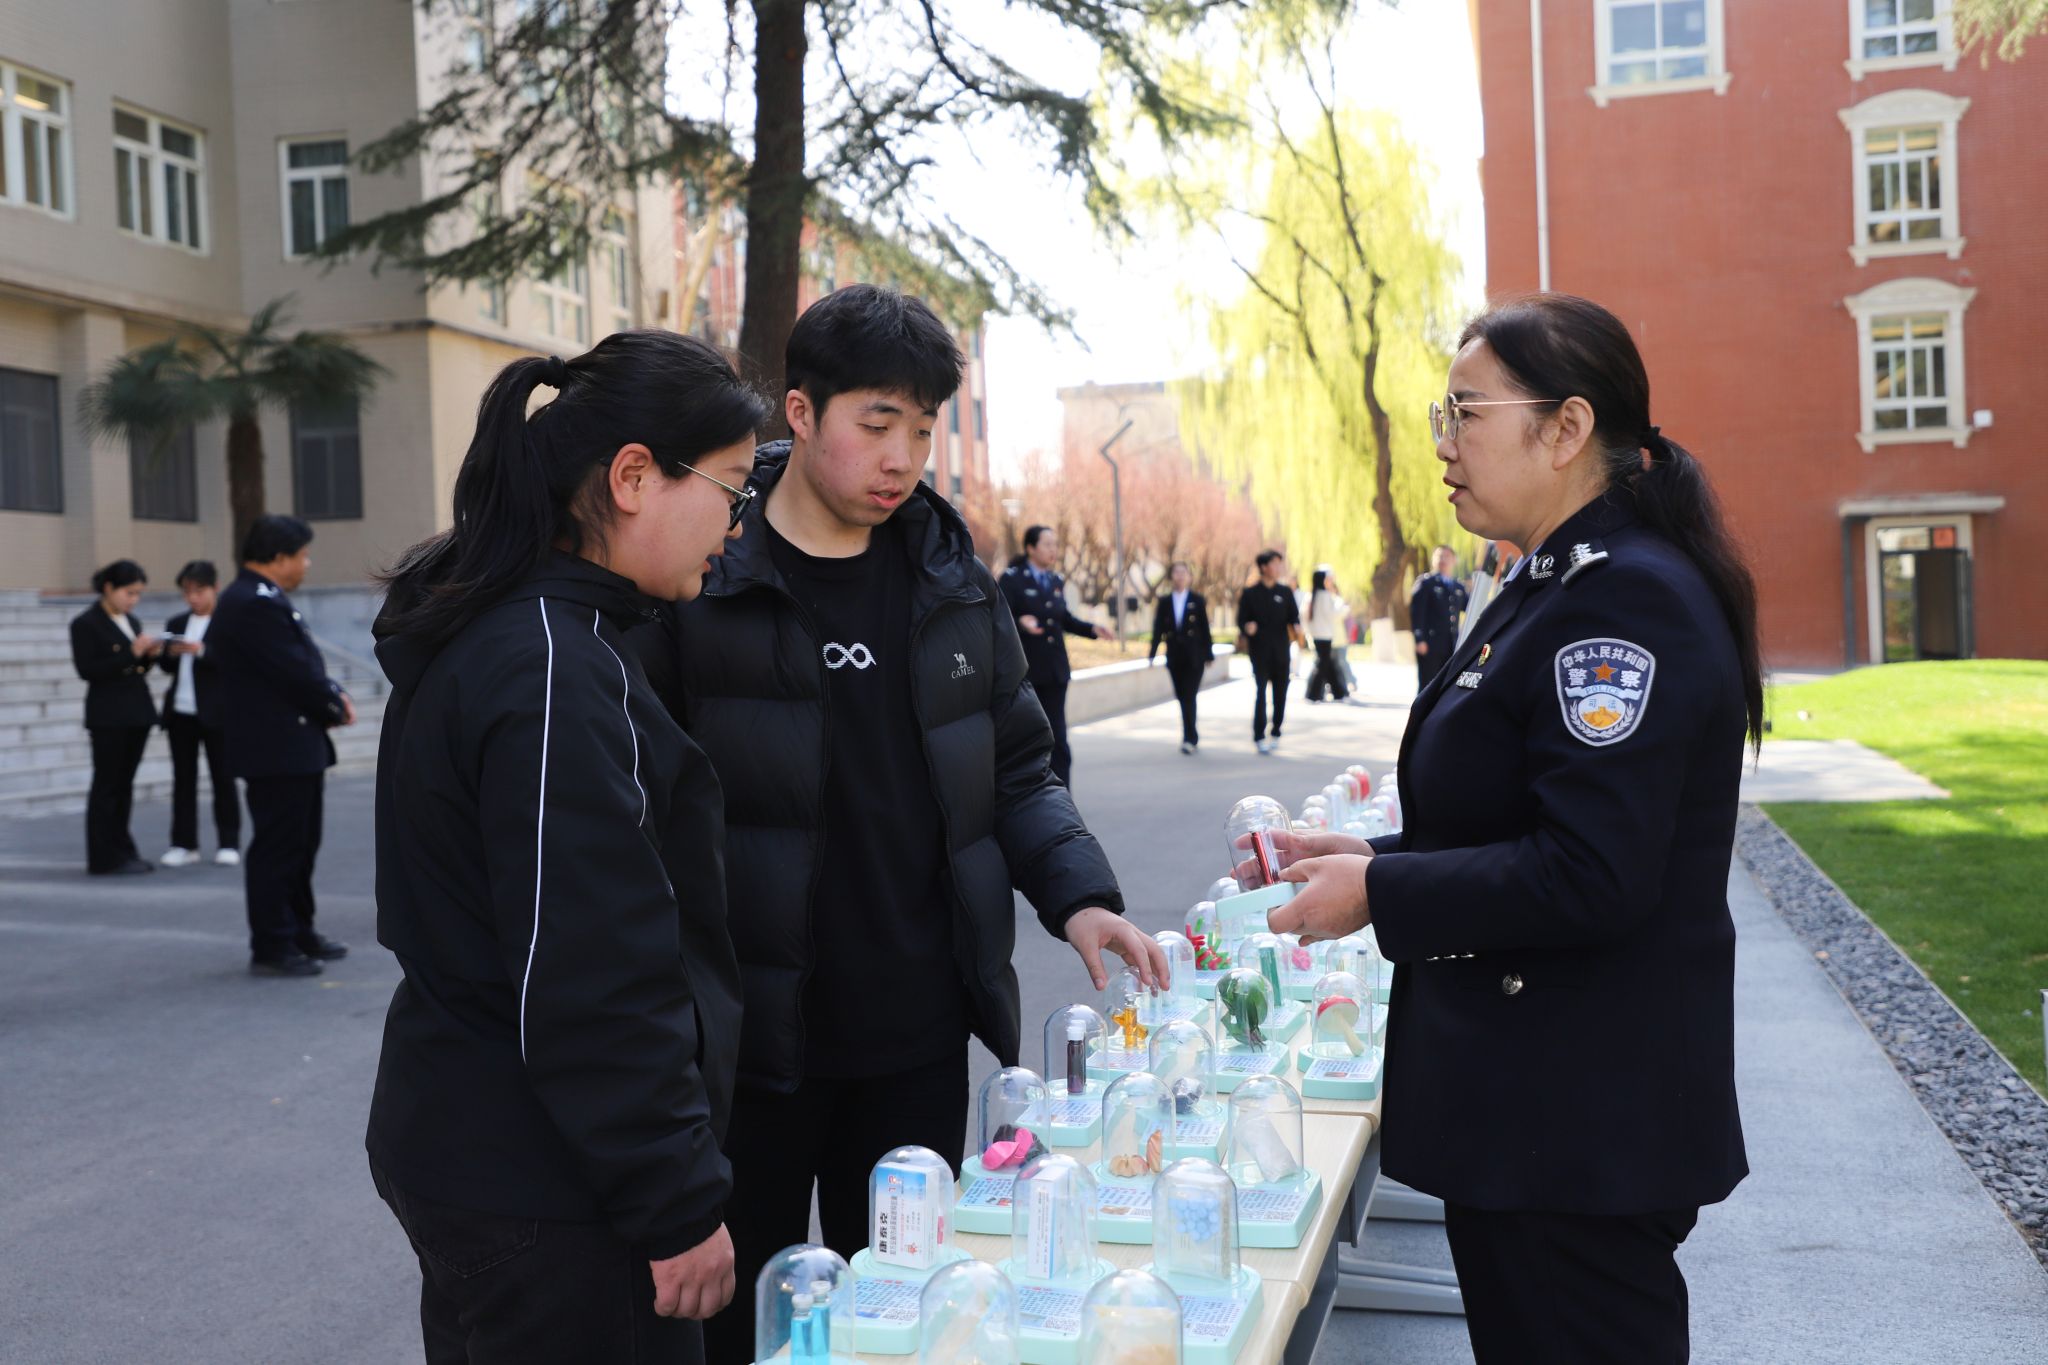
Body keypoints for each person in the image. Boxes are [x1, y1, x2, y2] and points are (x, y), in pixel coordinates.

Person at [630, 284, 1165, 1365]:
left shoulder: (949, 578)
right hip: (748, 1049)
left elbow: (1017, 767)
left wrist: (1081, 896)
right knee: (744, 1333)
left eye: (921, 431)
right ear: (799, 412)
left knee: (909, 1320)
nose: (902, 459)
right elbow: (639, 813)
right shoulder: (705, 577)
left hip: (913, 1038)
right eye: (877, 424)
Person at [1271, 292, 1757, 1364]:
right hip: (1539, 1117)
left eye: (1466, 413)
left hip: (1577, 1128)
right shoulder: (1555, 579)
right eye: (1442, 414)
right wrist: (1375, 858)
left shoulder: (1621, 600)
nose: (1442, 443)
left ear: (1566, 427)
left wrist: (1381, 894)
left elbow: (1590, 872)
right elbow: (1524, 817)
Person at [366, 333, 763, 1365]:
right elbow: (589, 969)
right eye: (730, 491)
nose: (734, 526)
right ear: (633, 477)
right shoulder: (549, 666)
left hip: (479, 1141)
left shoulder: (512, 629)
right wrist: (674, 1199)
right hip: (549, 1182)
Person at [207, 515, 354, 977]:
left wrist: (331, 696)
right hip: (275, 747)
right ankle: (274, 942)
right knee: (279, 848)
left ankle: (299, 929)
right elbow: (293, 672)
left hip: (290, 745)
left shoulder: (262, 598)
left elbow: (301, 666)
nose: (306, 564)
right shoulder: (251, 602)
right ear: (277, 557)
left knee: (300, 846)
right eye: (302, 555)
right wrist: (333, 703)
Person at [997, 524, 1113, 785]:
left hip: (1055, 671)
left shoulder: (1055, 580)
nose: (1053, 550)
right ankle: (1032, 793)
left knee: (1058, 738)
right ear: (1030, 548)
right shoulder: (1012, 579)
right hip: (1026, 673)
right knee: (1029, 739)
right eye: (1047, 544)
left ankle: (1063, 796)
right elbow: (997, 619)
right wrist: (1020, 622)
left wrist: (1092, 629)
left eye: (1055, 545)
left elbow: (1064, 619)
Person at [69, 560, 162, 875]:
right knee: (107, 786)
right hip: (108, 716)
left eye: (138, 594)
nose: (133, 600)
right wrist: (131, 654)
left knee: (124, 785)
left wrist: (148, 657)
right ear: (108, 588)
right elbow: (88, 670)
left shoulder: (131, 621)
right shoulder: (86, 623)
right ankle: (103, 856)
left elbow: (135, 670)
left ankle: (122, 849)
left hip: (136, 712)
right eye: (129, 592)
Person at [156, 560, 240, 867]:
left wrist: (201, 651)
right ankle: (183, 843)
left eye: (199, 591)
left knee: (223, 779)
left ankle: (228, 842)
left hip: (218, 712)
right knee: (183, 780)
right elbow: (166, 667)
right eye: (187, 592)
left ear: (215, 588)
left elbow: (235, 661)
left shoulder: (227, 621)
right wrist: (168, 652)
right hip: (181, 711)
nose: (192, 598)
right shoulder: (177, 622)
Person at [1236, 549, 1301, 754]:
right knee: (1261, 692)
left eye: (1279, 563)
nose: (1278, 567)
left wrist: (1297, 627)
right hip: (1260, 652)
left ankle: (1276, 730)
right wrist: (1247, 627)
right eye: (1274, 563)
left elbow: (1294, 617)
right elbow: (1241, 620)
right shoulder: (1250, 593)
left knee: (1280, 694)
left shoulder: (1285, 592)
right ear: (1264, 567)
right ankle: (1259, 735)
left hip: (1281, 651)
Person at [1147, 561, 1213, 753]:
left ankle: (1189, 738)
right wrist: (1152, 653)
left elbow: (1204, 629)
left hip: (1194, 657)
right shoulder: (1165, 602)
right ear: (1171, 576)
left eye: (1184, 572)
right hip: (1175, 656)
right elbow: (1158, 628)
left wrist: (1208, 654)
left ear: (1189, 577)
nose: (1180, 576)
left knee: (1190, 694)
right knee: (1182, 696)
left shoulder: (1197, 600)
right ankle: (1190, 734)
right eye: (1176, 572)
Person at [1409, 544, 1470, 690]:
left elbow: (1469, 608)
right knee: (1427, 686)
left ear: (1454, 561)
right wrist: (1419, 639)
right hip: (1430, 644)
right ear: (1433, 560)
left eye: (1447, 556)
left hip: (1451, 644)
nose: (1443, 560)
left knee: (1446, 687)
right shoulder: (1426, 583)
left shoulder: (1458, 587)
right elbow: (1417, 613)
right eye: (1439, 556)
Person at [1303, 567, 1352, 704]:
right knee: (1323, 663)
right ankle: (1314, 693)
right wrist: (1344, 609)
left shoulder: (1311, 595)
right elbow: (1332, 614)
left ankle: (1337, 692)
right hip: (1325, 635)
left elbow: (1304, 616)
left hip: (1316, 634)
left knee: (1327, 663)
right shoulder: (1325, 596)